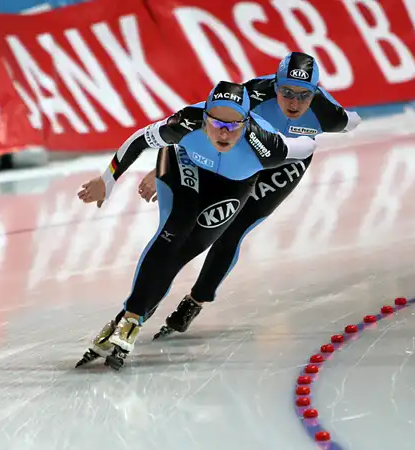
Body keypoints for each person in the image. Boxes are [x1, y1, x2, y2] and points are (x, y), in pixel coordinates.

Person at [75, 79, 317, 370]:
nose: (224, 133)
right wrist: (107, 180)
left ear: (247, 122)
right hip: (185, 164)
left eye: (234, 126)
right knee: (175, 228)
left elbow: (306, 146)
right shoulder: (185, 123)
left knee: (188, 249)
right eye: (217, 124)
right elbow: (140, 138)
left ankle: (125, 318)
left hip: (232, 186)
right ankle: (130, 321)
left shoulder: (267, 146)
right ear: (204, 118)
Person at [138, 52, 362, 340]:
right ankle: (149, 296)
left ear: (316, 92)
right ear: (274, 85)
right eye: (286, 92)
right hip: (245, 155)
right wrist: (160, 168)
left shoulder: (328, 113)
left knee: (232, 232)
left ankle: (196, 301)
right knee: (192, 225)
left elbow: (352, 122)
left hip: (285, 162)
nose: (294, 103)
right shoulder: (253, 93)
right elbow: (196, 119)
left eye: (303, 96)